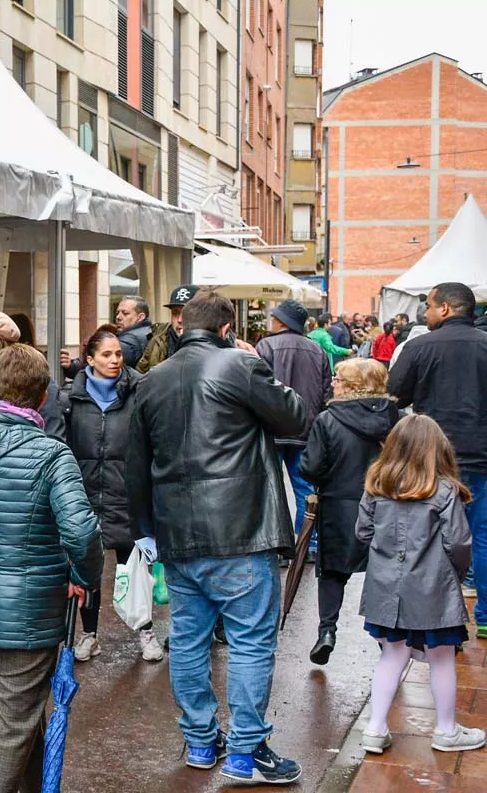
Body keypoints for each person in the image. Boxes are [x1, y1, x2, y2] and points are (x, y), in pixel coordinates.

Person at [127, 291, 307, 784]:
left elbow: (134, 465)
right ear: (227, 329)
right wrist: (255, 363)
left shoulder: (151, 379)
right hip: (240, 531)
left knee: (188, 640)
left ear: (182, 325)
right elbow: (296, 417)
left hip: (178, 533)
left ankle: (202, 742)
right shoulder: (239, 366)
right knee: (250, 641)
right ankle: (248, 751)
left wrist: (145, 531)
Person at [0, 343, 105, 793]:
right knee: (11, 729)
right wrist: (83, 578)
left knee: (15, 717)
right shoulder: (51, 455)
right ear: (44, 396)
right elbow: (83, 533)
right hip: (28, 613)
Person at [357, 414, 484, 756]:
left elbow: (362, 533)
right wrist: (453, 576)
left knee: (391, 655)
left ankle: (375, 728)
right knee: (442, 658)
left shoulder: (377, 485)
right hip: (433, 587)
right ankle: (446, 730)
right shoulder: (444, 490)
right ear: (436, 450)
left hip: (385, 587)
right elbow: (458, 543)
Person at [389, 283, 487, 638]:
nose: (425, 313)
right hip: (481, 455)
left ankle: (444, 622)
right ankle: (486, 617)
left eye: (428, 306)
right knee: (482, 535)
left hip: (435, 456)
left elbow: (395, 394)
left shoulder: (418, 346)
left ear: (445, 309)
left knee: (435, 536)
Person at [60, 325, 162, 663]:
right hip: (86, 498)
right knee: (87, 573)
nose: (115, 360)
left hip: (126, 497)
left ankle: (145, 632)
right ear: (89, 359)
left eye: (118, 354)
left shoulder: (138, 392)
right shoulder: (71, 399)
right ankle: (89, 635)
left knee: (134, 571)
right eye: (106, 354)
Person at [300, 359, 398, 665]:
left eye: (339, 379)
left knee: (331, 573)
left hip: (339, 505)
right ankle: (388, 640)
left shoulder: (328, 420)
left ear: (354, 386)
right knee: (383, 573)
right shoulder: (396, 419)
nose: (333, 383)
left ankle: (327, 631)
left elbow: (312, 467)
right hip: (386, 505)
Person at [256, 299, 332, 546]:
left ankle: (277, 544)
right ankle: (308, 544)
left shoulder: (266, 346)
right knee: (305, 489)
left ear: (282, 321)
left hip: (271, 429)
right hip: (306, 429)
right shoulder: (317, 350)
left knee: (269, 490)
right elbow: (326, 393)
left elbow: (258, 388)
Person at [58, 295, 151, 377]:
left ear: (140, 317)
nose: (118, 317)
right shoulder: (144, 332)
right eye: (117, 312)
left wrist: (72, 366)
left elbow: (100, 362)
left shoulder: (132, 339)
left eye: (125, 313)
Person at [136, 284, 200, 372]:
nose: (180, 320)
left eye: (187, 313)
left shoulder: (212, 344)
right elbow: (141, 375)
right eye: (175, 313)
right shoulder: (157, 338)